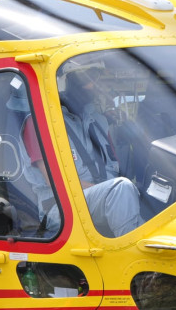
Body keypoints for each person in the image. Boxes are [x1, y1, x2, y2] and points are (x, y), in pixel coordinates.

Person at [21, 68, 144, 237]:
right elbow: (54, 181)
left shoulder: (99, 121)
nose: (94, 85)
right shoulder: (40, 122)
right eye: (86, 79)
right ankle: (136, 256)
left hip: (101, 197)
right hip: (59, 206)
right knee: (121, 190)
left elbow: (113, 168)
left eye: (96, 79)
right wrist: (106, 191)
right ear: (66, 82)